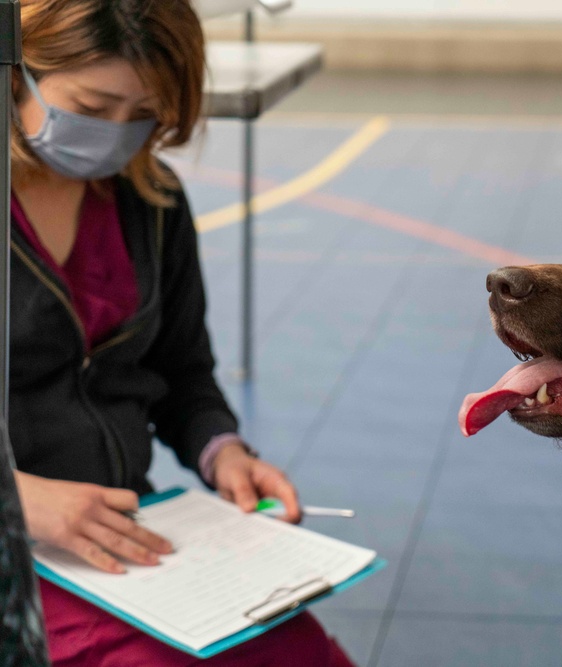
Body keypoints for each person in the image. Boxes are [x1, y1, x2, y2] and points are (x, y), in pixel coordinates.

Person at [8, 1, 354, 665]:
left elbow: (183, 371)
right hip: (22, 559)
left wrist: (222, 450)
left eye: (143, 117)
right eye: (92, 104)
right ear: (16, 72)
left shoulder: (151, 201)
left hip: (128, 544)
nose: (116, 136)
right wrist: (20, 499)